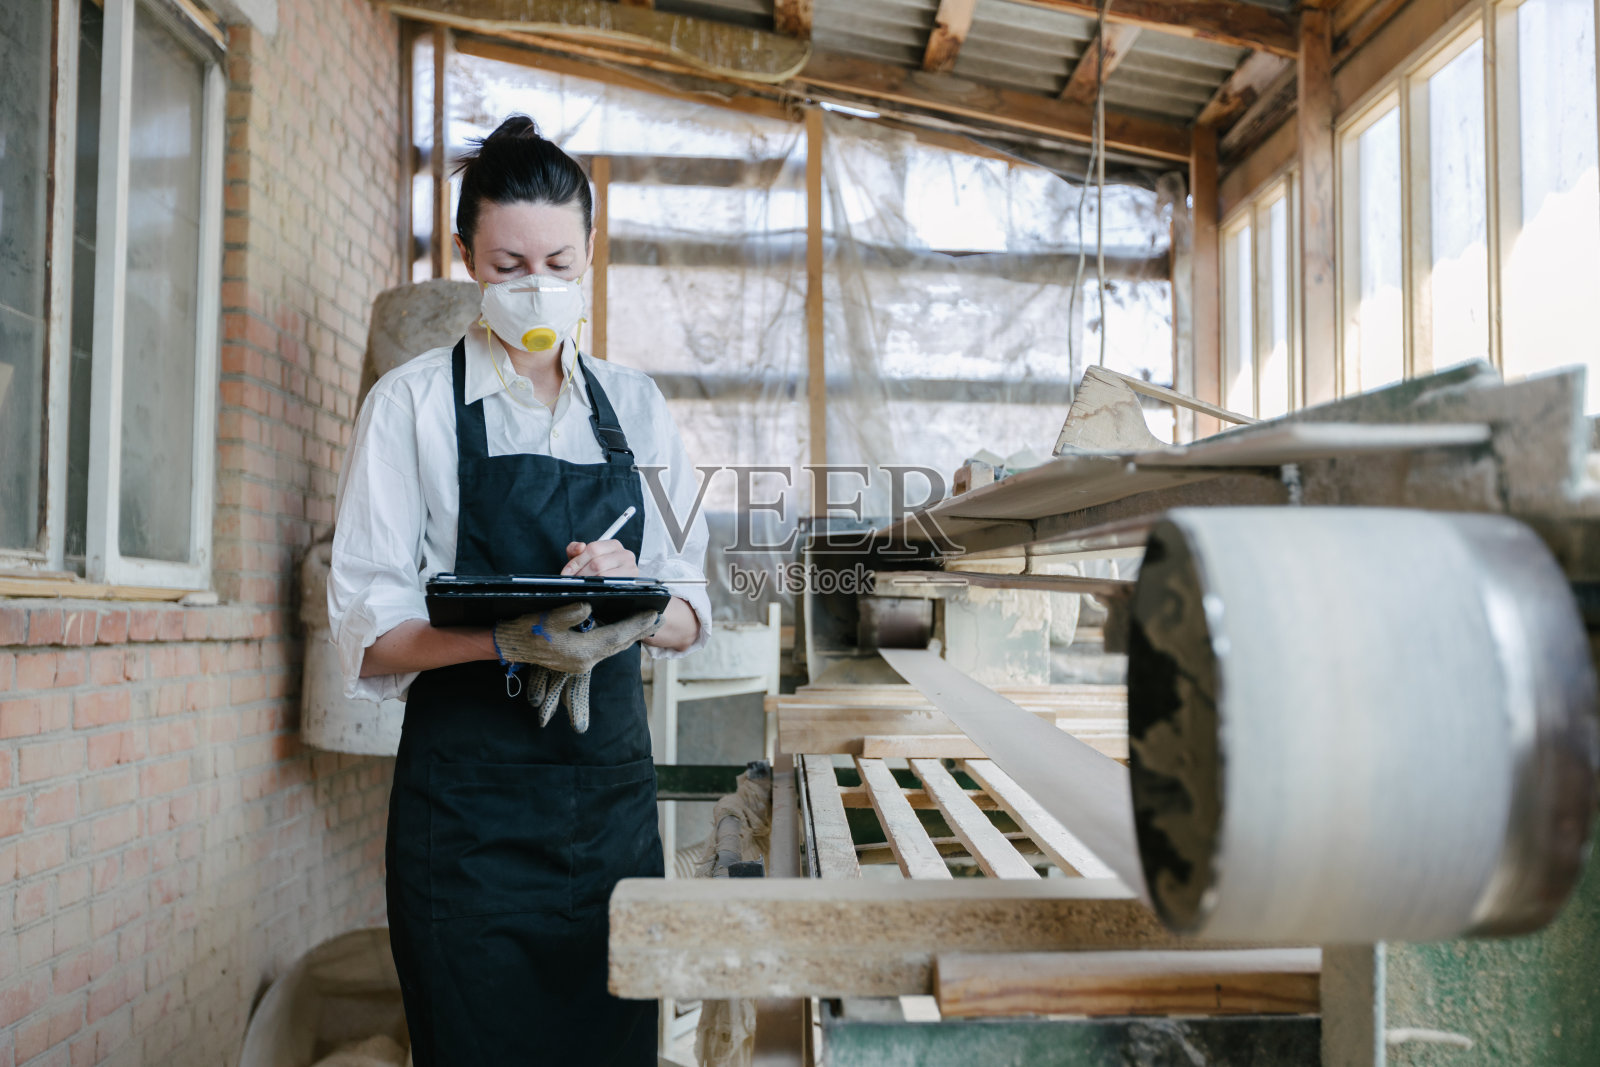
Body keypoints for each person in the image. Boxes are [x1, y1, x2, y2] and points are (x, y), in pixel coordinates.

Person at [327, 115, 712, 1066]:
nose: (535, 286)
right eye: (506, 266)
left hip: (610, 814)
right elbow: (368, 636)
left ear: (589, 257)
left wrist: (638, 601)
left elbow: (695, 611)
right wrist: (508, 641)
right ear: (464, 256)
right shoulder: (411, 406)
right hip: (465, 826)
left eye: (557, 260)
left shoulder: (641, 409)